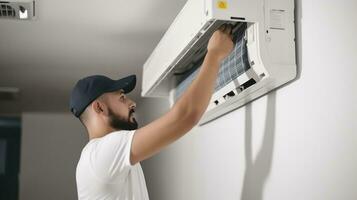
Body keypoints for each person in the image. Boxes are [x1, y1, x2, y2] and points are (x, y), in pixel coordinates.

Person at [70, 24, 234, 200]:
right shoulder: (100, 154)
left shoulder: (100, 156)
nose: (132, 103)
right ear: (99, 107)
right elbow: (185, 116)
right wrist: (214, 55)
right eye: (122, 97)